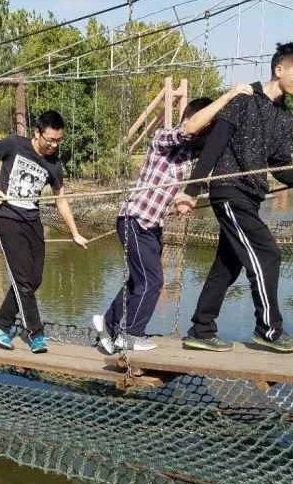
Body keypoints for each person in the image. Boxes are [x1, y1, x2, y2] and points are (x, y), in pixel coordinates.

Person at [175, 41, 293, 353]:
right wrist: (190, 192)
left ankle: (201, 329)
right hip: (229, 193)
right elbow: (212, 147)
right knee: (267, 253)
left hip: (251, 197)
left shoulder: (285, 118)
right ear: (279, 69)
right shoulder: (242, 101)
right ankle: (268, 329)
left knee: (227, 265)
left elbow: (282, 169)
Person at [93, 85, 254, 354]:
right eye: (207, 128)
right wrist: (229, 96)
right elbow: (189, 129)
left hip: (150, 225)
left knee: (138, 281)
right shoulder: (163, 137)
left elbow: (209, 148)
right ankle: (130, 334)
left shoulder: (189, 155)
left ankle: (108, 324)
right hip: (135, 219)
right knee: (152, 281)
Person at [0, 110, 88, 354]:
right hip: (7, 218)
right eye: (50, 140)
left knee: (33, 279)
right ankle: (36, 333)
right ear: (37, 134)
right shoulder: (15, 144)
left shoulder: (54, 165)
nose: (54, 145)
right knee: (23, 281)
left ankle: (1, 325)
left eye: (59, 140)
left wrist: (74, 232)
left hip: (32, 221)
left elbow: (61, 201)